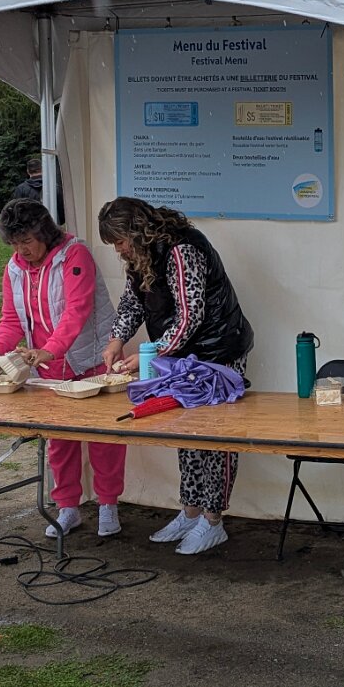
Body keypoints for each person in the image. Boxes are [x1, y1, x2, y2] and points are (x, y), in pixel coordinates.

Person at [98, 198, 254, 555]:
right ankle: (191, 510)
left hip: (219, 353)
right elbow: (133, 303)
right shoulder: (141, 256)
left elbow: (189, 315)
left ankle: (213, 520)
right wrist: (116, 340)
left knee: (215, 437)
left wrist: (152, 353)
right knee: (185, 431)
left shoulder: (183, 250)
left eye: (120, 241)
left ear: (138, 231)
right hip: (182, 357)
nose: (118, 249)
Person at [0, 199, 127, 539]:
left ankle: (108, 504)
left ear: (45, 232)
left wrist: (49, 350)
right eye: (14, 243)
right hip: (49, 366)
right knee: (59, 441)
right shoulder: (14, 268)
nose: (21, 250)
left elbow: (77, 310)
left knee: (104, 438)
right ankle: (67, 507)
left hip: (91, 359)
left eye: (27, 241)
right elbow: (10, 318)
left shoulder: (75, 254)